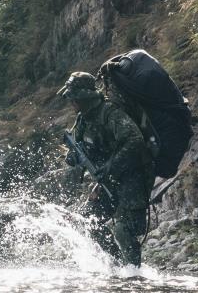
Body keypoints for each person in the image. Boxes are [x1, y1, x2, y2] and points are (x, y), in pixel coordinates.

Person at [57, 71, 155, 266]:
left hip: (133, 176)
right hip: (107, 179)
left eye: (72, 98)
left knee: (123, 229)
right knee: (88, 221)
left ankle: (134, 275)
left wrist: (111, 166)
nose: (71, 103)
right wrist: (74, 157)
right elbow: (82, 150)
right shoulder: (83, 119)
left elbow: (134, 140)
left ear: (82, 97)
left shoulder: (110, 113)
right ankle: (117, 267)